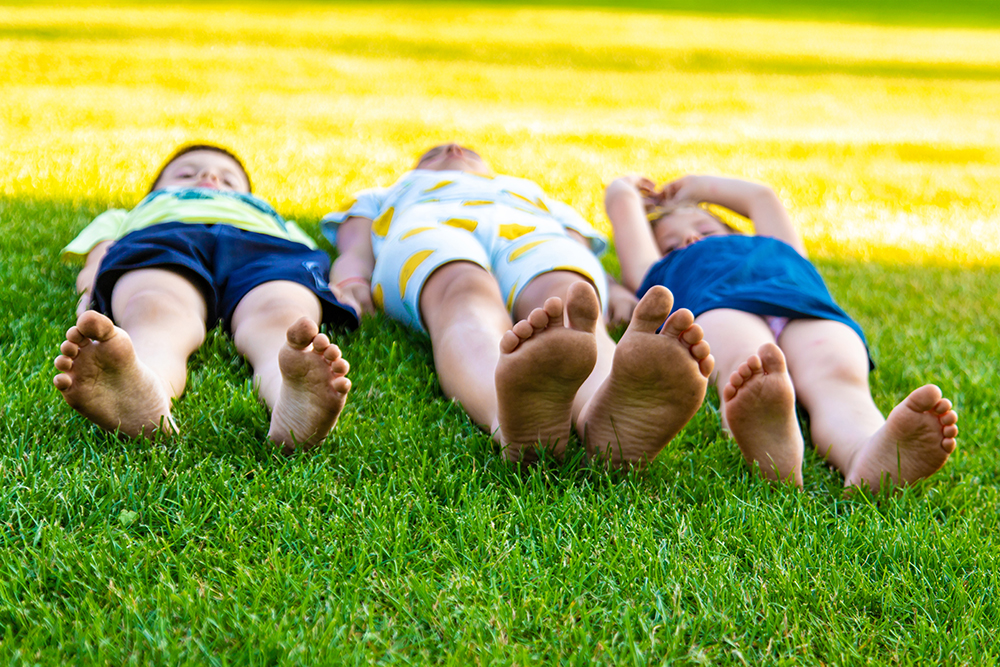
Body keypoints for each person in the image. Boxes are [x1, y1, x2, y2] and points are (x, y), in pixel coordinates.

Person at [325, 143, 714, 467]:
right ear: (417, 171)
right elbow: (355, 246)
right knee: (460, 294)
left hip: (532, 233)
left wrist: (611, 289)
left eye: (467, 150)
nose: (453, 147)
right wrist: (351, 280)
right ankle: (508, 414)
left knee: (572, 301)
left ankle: (608, 412)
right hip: (431, 229)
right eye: (433, 154)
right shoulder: (388, 194)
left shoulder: (528, 192)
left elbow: (578, 250)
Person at [604, 173, 959, 491]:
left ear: (734, 233)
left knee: (838, 380)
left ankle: (867, 451)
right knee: (751, 370)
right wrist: (623, 192)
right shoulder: (658, 270)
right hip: (720, 305)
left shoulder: (778, 248)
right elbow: (626, 219)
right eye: (671, 244)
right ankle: (773, 449)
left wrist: (697, 185)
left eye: (706, 229)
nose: (691, 238)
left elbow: (761, 197)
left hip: (805, 307)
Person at [54, 144, 359, 452]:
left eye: (229, 181)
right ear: (153, 192)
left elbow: (306, 259)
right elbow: (100, 253)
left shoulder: (275, 220)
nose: (209, 176)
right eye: (186, 173)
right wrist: (90, 283)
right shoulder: (132, 214)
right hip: (165, 239)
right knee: (155, 307)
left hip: (264, 247)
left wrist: (335, 285)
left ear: (249, 196)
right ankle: (144, 389)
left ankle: (291, 398)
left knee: (283, 314)